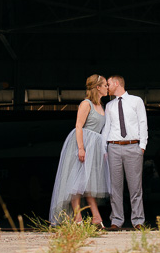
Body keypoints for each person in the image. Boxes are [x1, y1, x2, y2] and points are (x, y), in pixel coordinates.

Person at [48, 75, 111, 226]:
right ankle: (78, 218)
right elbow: (78, 126)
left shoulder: (102, 105)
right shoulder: (86, 103)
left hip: (95, 145)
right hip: (82, 143)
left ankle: (96, 217)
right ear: (98, 87)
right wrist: (81, 148)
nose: (107, 88)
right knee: (77, 182)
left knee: (89, 183)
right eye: (105, 85)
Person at [101, 75, 147, 231]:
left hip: (133, 146)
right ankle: (116, 220)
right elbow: (107, 127)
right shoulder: (109, 106)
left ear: (116, 83)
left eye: (108, 84)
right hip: (113, 147)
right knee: (115, 187)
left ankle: (138, 220)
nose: (107, 87)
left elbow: (142, 122)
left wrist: (142, 146)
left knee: (135, 187)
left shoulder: (136, 101)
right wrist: (103, 148)